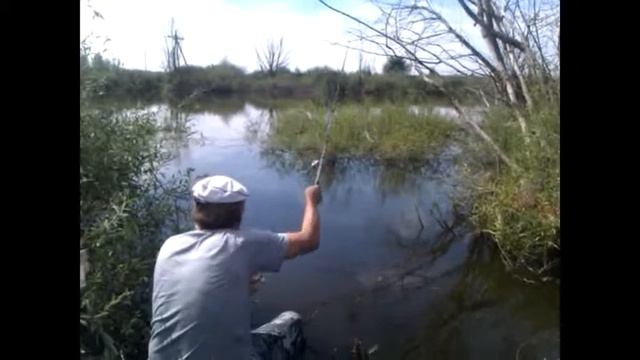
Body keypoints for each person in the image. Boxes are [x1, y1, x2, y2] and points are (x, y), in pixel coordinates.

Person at [148, 175, 321, 360]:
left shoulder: (170, 244)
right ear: (240, 209)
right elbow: (308, 240)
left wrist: (240, 285)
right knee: (291, 320)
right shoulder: (241, 243)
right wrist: (311, 200)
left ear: (196, 207)